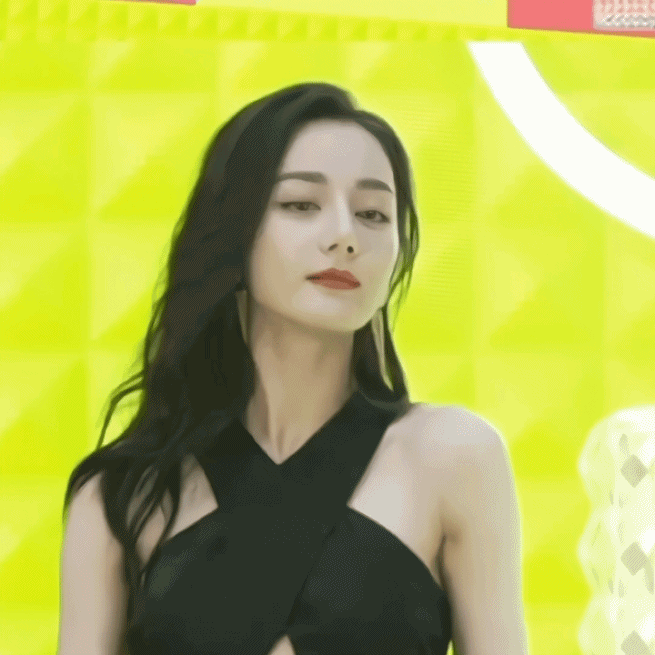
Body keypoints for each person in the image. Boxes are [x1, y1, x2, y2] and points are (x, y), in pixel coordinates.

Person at [57, 82, 529, 655]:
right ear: (234, 231)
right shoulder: (120, 494)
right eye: (301, 205)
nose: (345, 237)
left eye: (373, 214)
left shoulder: (454, 457)